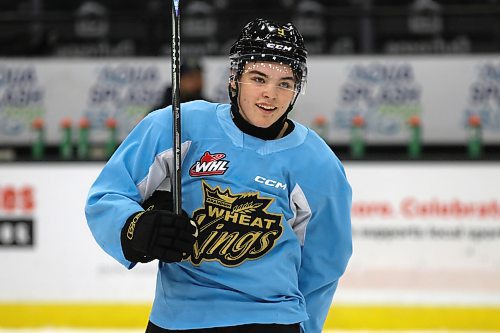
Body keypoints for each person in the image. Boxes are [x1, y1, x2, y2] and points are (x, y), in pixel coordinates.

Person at [85, 18, 352, 333]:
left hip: (272, 320)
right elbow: (107, 196)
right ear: (235, 78)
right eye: (258, 78)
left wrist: (303, 328)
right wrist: (135, 227)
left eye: (285, 83)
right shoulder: (176, 126)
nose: (271, 94)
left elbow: (324, 263)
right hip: (180, 319)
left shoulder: (317, 162)